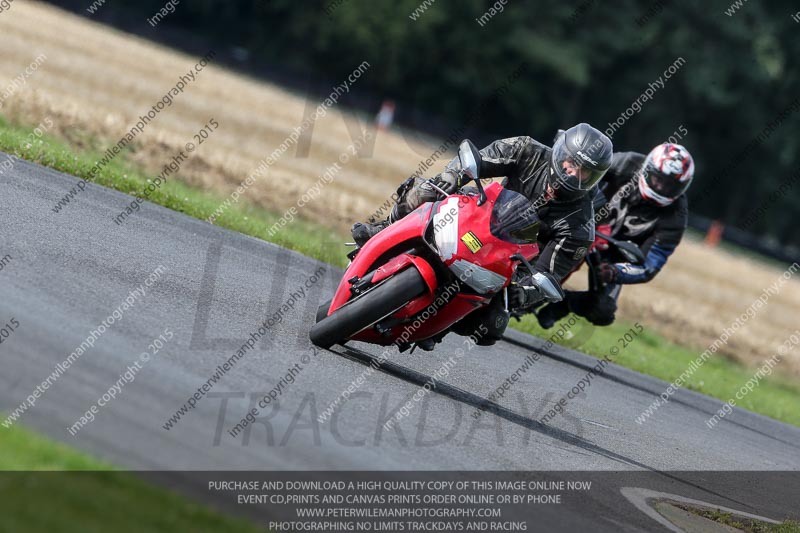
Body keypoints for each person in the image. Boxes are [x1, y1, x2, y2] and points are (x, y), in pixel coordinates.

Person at [351, 123, 613, 348]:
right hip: (477, 214)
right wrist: (452, 177)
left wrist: (526, 293)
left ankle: (439, 325)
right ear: (561, 153)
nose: (573, 174)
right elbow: (479, 158)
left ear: (595, 177)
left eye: (584, 172)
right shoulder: (526, 149)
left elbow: (550, 273)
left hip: (510, 262)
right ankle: (385, 228)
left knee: (492, 326)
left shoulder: (580, 226)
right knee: (425, 191)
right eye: (572, 164)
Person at [534, 143, 695, 328]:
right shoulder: (625, 163)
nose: (660, 187)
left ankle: (563, 304)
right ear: (648, 169)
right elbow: (581, 177)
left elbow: (650, 266)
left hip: (614, 258)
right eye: (658, 179)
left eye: (669, 185)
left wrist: (615, 272)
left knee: (603, 311)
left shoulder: (676, 217)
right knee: (545, 233)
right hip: (583, 227)